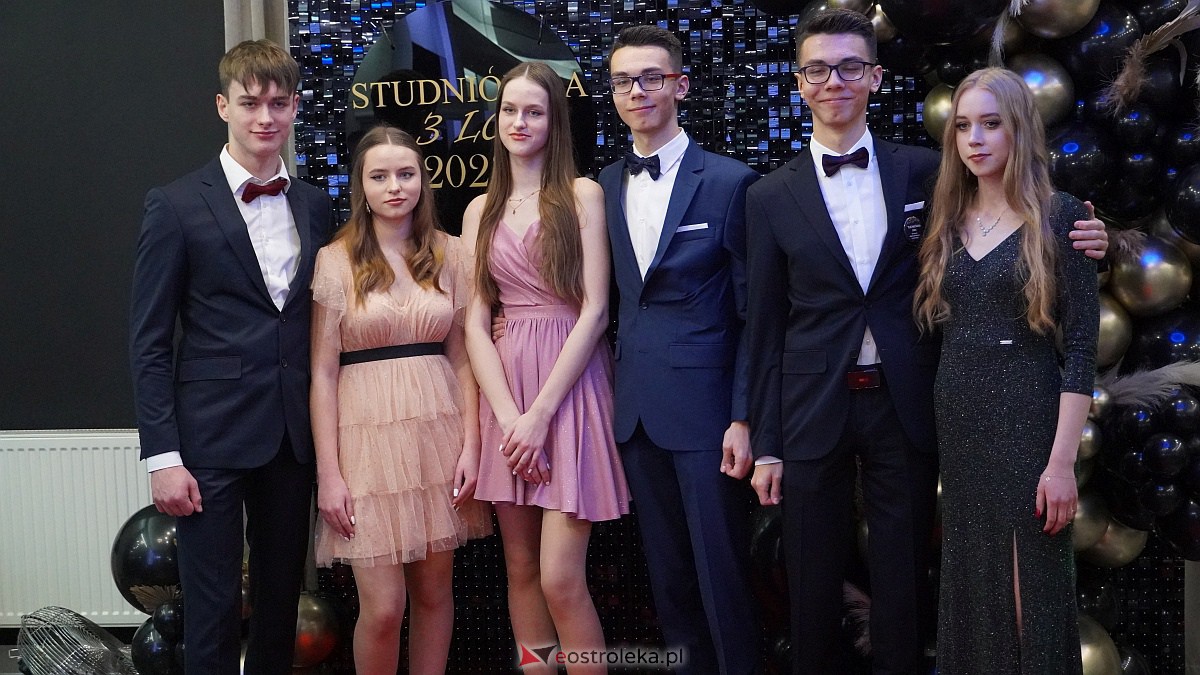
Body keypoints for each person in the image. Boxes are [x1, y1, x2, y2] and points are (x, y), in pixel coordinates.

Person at [744, 10, 1107, 675]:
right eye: (818, 69)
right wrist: (762, 436)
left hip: (910, 405)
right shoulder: (768, 195)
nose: (834, 81)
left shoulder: (924, 174)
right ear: (800, 82)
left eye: (850, 66)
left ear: (875, 77)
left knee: (908, 586)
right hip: (814, 408)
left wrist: (1091, 235)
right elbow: (763, 326)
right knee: (812, 586)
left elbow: (1033, 235)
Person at [129, 40, 334, 675]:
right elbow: (149, 341)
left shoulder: (316, 204)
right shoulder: (175, 204)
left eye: (278, 103)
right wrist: (163, 456)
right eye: (250, 103)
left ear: (295, 107)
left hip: (291, 439)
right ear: (223, 106)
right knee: (212, 609)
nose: (265, 117)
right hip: (208, 440)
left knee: (280, 605)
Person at [913, 67, 1094, 674]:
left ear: (1019, 128)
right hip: (959, 423)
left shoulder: (1062, 216)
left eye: (991, 124)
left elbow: (1082, 352)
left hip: (1028, 420)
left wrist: (1061, 465)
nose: (975, 139)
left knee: (1028, 586)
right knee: (972, 582)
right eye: (963, 126)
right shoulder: (946, 217)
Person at [596, 25, 760, 675]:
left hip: (709, 413)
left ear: (680, 85)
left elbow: (753, 314)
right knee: (668, 582)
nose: (637, 91)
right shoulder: (605, 183)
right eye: (624, 81)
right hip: (635, 411)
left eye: (651, 78)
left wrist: (743, 415)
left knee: (724, 578)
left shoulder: (730, 182)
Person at [463, 61, 630, 672]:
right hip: (506, 392)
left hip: (569, 389)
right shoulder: (479, 210)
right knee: (521, 569)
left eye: (533, 111)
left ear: (554, 120)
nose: (519, 122)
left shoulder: (582, 195)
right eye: (509, 110)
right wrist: (510, 418)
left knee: (561, 578)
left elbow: (596, 310)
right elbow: (475, 322)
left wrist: (538, 416)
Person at [309, 125, 492, 674]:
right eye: (380, 176)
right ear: (361, 187)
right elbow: (322, 373)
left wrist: (472, 446)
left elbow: (464, 357)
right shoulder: (335, 261)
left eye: (406, 174)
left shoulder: (452, 253)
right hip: (363, 446)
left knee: (434, 595)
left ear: (423, 181)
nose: (395, 186)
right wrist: (329, 474)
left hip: (438, 437)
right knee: (385, 608)